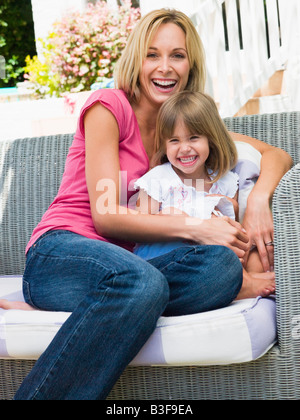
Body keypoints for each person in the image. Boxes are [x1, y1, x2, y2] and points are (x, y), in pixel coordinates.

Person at [0, 9, 292, 400]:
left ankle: (102, 305)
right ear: (137, 59)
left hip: (135, 271)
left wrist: (258, 200)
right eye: (152, 54)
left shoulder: (181, 133)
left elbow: (276, 154)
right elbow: (106, 216)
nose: (165, 67)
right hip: (62, 252)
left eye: (178, 55)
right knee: (143, 282)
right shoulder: (109, 107)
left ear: (191, 65)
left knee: (219, 266)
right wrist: (197, 227)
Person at [133, 90, 275, 298]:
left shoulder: (225, 180)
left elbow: (233, 223)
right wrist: (175, 216)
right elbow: (141, 227)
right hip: (168, 258)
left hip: (216, 253)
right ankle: (242, 285)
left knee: (251, 249)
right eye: (174, 140)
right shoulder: (158, 179)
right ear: (164, 144)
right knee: (217, 259)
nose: (184, 149)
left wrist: (227, 207)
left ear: (210, 138)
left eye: (193, 138)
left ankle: (253, 277)